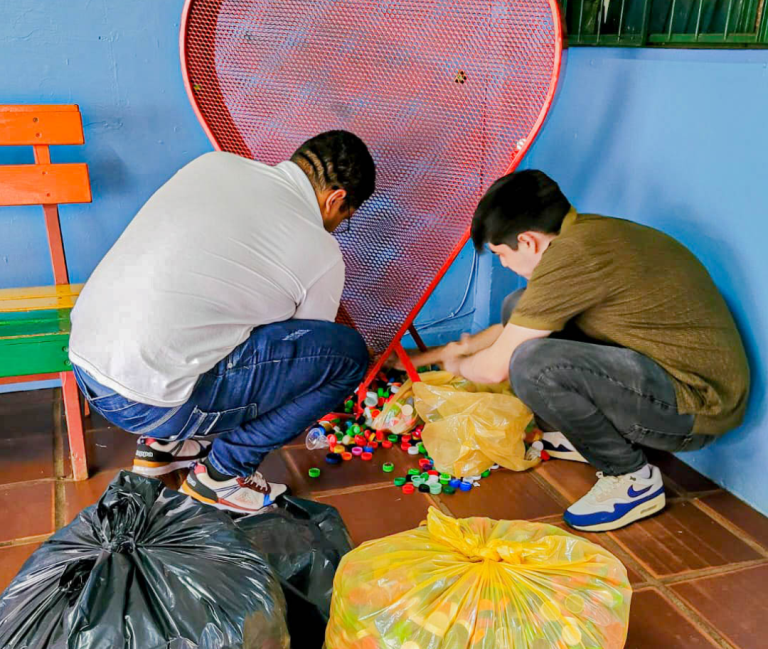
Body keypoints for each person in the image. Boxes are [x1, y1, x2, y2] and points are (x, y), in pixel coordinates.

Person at [406, 169, 749, 532]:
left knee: (530, 364)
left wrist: (458, 366)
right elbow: (515, 324)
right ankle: (573, 435)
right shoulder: (584, 233)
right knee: (517, 306)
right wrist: (452, 352)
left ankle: (631, 479)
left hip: (699, 405)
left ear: (528, 241)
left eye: (501, 254)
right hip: (664, 372)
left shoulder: (573, 257)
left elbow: (495, 368)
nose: (504, 264)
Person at [69, 131, 375, 513]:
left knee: (212, 317)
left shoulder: (214, 163)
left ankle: (162, 445)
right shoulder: (321, 250)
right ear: (337, 199)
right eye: (343, 219)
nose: (336, 227)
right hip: (151, 403)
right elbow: (304, 354)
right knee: (346, 357)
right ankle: (223, 475)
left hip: (86, 364)